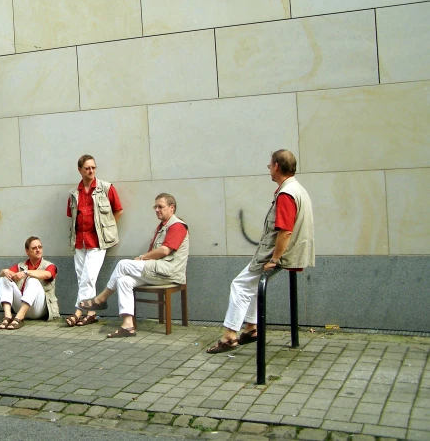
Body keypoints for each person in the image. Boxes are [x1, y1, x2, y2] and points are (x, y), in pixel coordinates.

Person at [206, 149, 314, 354]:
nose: (268, 169)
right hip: (290, 252)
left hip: (278, 254)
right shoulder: (297, 189)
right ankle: (251, 328)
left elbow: (285, 232)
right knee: (252, 286)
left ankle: (229, 336)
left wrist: (274, 259)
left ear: (276, 166)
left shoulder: (286, 194)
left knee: (240, 285)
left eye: (269, 165)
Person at [79, 193, 188, 338]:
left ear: (172, 208)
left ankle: (101, 299)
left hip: (169, 273)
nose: (156, 209)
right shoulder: (162, 227)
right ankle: (128, 325)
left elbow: (164, 250)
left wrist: (142, 258)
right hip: (158, 272)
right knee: (123, 281)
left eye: (160, 207)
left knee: (123, 264)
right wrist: (143, 260)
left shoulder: (177, 226)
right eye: (155, 207)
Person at [66, 154, 123, 327]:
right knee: (82, 278)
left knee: (89, 277)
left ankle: (77, 311)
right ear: (79, 170)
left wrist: (108, 228)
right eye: (87, 168)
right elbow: (72, 216)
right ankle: (91, 313)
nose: (91, 171)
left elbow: (118, 210)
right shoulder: (74, 193)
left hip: (98, 241)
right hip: (79, 241)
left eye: (93, 167)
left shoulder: (105, 188)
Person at [0, 236, 60, 330]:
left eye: (40, 247)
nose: (38, 250)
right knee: (3, 279)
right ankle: (8, 316)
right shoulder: (21, 266)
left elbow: (47, 275)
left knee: (33, 280)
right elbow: (3, 273)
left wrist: (26, 273)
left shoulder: (49, 265)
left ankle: (19, 318)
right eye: (34, 248)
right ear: (27, 251)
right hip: (21, 306)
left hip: (39, 310)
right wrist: (5, 271)